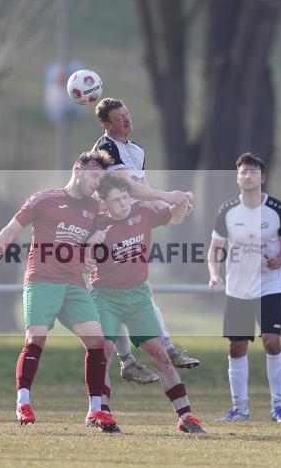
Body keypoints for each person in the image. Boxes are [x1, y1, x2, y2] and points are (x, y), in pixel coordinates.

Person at [0, 150, 117, 432]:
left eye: (101, 179)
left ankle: (95, 411)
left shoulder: (95, 207)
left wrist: (94, 248)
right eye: (94, 176)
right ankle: (23, 402)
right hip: (41, 279)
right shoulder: (45, 199)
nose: (97, 183)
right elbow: (11, 229)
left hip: (74, 283)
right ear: (77, 170)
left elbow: (101, 239)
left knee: (97, 342)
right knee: (36, 339)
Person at [92, 97, 200, 384]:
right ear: (106, 125)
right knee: (124, 292)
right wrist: (167, 196)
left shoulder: (136, 150)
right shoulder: (106, 147)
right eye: (120, 118)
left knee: (139, 290)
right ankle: (147, 354)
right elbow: (126, 186)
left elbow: (143, 191)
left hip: (129, 223)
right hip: (107, 228)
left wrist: (171, 208)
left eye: (128, 114)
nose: (127, 120)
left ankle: (149, 353)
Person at [88, 175, 205, 434]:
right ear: (105, 204)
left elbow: (174, 216)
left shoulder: (142, 211)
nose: (124, 204)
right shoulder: (96, 222)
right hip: (105, 295)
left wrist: (183, 202)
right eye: (117, 200)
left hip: (138, 296)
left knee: (161, 355)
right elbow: (77, 254)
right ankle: (102, 413)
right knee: (104, 353)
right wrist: (89, 245)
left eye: (126, 197)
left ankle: (186, 417)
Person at [208, 153, 281, 423]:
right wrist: (214, 274)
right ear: (237, 177)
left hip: (268, 285)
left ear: (263, 177)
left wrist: (278, 259)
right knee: (236, 347)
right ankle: (240, 408)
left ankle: (279, 407)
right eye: (243, 171)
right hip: (237, 288)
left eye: (253, 171)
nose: (248, 175)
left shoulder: (278, 210)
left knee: (271, 341)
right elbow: (215, 250)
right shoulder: (227, 210)